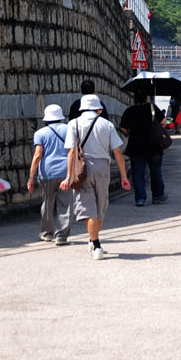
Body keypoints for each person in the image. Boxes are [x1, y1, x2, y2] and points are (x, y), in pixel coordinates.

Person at [65, 93, 131, 260]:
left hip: (82, 168)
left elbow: (72, 151)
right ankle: (93, 240)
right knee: (100, 206)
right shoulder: (107, 125)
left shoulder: (74, 123)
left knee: (88, 208)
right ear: (98, 109)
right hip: (103, 167)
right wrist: (123, 175)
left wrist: (68, 176)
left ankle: (96, 244)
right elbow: (117, 151)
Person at [27, 104, 72, 244]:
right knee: (65, 204)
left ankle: (47, 233)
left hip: (47, 172)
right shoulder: (68, 129)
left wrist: (31, 177)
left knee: (47, 203)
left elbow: (37, 155)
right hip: (65, 171)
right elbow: (73, 151)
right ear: (60, 117)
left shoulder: (40, 133)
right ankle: (62, 236)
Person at [119, 89, 168, 207]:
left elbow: (123, 128)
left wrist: (129, 133)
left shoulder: (129, 111)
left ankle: (140, 199)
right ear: (146, 97)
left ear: (134, 99)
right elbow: (164, 123)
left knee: (137, 173)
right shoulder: (152, 108)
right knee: (156, 171)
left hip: (136, 146)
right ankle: (158, 196)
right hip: (154, 146)